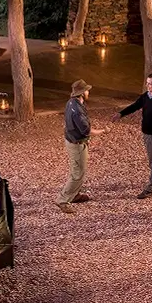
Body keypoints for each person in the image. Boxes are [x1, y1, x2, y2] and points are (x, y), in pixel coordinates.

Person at [113, 72, 152, 199]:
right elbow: (135, 106)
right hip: (146, 133)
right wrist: (121, 114)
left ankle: (151, 188)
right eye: (147, 83)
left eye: (150, 83)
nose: (147, 86)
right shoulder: (146, 96)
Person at [58, 79, 96, 214]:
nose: (88, 92)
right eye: (86, 90)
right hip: (77, 144)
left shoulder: (72, 103)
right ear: (82, 93)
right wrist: (102, 131)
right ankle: (63, 200)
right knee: (77, 173)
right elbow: (86, 130)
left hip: (72, 140)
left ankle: (74, 194)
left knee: (80, 170)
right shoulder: (77, 111)